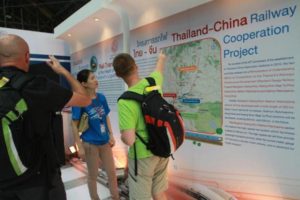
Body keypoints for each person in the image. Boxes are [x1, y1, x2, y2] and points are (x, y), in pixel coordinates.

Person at [0, 34, 91, 200]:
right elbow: (84, 98)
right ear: (27, 56)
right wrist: (62, 70)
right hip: (39, 182)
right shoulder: (35, 85)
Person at [112, 52, 168, 200]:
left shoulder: (125, 101)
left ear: (118, 75)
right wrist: (161, 58)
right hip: (162, 148)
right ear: (136, 66)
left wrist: (123, 137)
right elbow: (159, 69)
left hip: (142, 157)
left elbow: (129, 140)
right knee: (159, 194)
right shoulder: (152, 82)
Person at [71, 69, 120, 200]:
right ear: (84, 83)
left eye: (95, 77)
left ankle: (115, 197)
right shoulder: (79, 101)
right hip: (90, 143)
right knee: (93, 175)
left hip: (104, 142)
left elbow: (106, 117)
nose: (96, 80)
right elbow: (74, 125)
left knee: (112, 173)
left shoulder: (102, 97)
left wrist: (111, 134)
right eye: (92, 78)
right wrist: (79, 146)